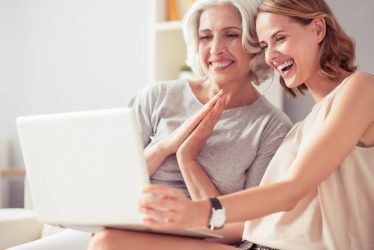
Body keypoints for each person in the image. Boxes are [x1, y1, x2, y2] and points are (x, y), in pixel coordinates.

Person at [89, 0, 374, 249]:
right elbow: (250, 224)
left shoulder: (360, 89)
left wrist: (196, 212)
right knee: (108, 242)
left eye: (280, 38)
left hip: (276, 247)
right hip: (254, 241)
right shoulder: (304, 126)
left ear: (318, 30)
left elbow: (291, 190)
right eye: (264, 45)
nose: (271, 55)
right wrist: (169, 219)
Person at [9, 0, 291, 249]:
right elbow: (112, 185)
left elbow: (245, 228)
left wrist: (188, 159)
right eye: (206, 37)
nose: (216, 49)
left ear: (255, 44)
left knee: (108, 244)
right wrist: (167, 145)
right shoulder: (158, 97)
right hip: (128, 227)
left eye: (231, 35)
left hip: (201, 239)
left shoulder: (271, 126)